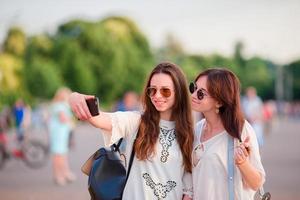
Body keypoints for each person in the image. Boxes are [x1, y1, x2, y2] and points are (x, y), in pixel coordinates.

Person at [69, 62, 194, 200]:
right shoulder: (136, 121)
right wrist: (74, 97)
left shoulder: (189, 132)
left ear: (180, 92)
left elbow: (187, 184)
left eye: (165, 91)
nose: (157, 96)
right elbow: (98, 118)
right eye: (152, 90)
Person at [189, 68, 265, 200]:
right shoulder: (197, 129)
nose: (194, 95)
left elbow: (256, 183)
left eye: (201, 93)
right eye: (193, 88)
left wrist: (242, 163)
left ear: (219, 101)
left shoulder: (240, 130)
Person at [48, 87, 76, 186]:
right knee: (58, 155)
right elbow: (63, 118)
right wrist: (72, 118)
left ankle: (65, 173)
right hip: (58, 134)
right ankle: (58, 176)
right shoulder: (59, 105)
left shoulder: (60, 105)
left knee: (62, 154)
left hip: (61, 134)